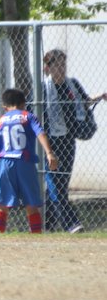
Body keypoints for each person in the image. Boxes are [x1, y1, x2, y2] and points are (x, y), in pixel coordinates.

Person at [41, 49, 107, 233]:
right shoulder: (42, 88)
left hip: (68, 141)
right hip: (50, 143)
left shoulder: (73, 84)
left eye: (64, 64)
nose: (62, 68)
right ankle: (72, 224)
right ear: (48, 67)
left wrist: (99, 97)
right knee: (55, 182)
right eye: (57, 64)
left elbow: (84, 102)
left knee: (60, 184)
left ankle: (47, 226)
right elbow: (33, 113)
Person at [0, 88, 58, 234]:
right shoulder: (28, 116)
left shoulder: (1, 121)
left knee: (2, 204)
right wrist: (49, 153)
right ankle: (36, 235)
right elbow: (40, 133)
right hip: (24, 162)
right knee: (31, 203)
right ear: (23, 104)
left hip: (5, 162)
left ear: (5, 107)